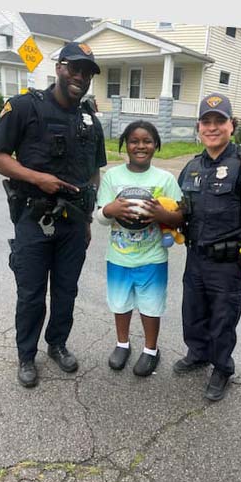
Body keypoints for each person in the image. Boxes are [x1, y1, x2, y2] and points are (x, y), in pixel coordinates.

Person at [0, 42, 106, 388]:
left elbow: (95, 172)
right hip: (33, 218)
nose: (80, 77)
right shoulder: (25, 107)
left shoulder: (90, 121)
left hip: (73, 224)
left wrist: (87, 217)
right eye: (75, 68)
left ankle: (57, 344)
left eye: (87, 73)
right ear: (60, 67)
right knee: (32, 294)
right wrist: (37, 178)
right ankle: (26, 355)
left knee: (66, 291)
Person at [174, 93, 241, 401]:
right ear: (198, 127)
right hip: (195, 256)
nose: (212, 127)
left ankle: (222, 368)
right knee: (192, 312)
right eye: (206, 122)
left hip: (229, 261)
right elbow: (179, 206)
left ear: (232, 125)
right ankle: (198, 354)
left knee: (223, 318)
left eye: (219, 121)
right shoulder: (192, 166)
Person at [94, 121, 183, 376]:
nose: (141, 146)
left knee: (151, 306)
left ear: (156, 145)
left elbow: (180, 218)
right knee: (120, 304)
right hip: (119, 257)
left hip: (152, 258)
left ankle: (151, 350)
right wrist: (110, 210)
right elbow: (101, 216)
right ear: (125, 144)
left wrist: (161, 214)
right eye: (134, 141)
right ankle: (122, 344)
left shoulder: (164, 179)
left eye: (147, 141)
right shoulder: (112, 176)